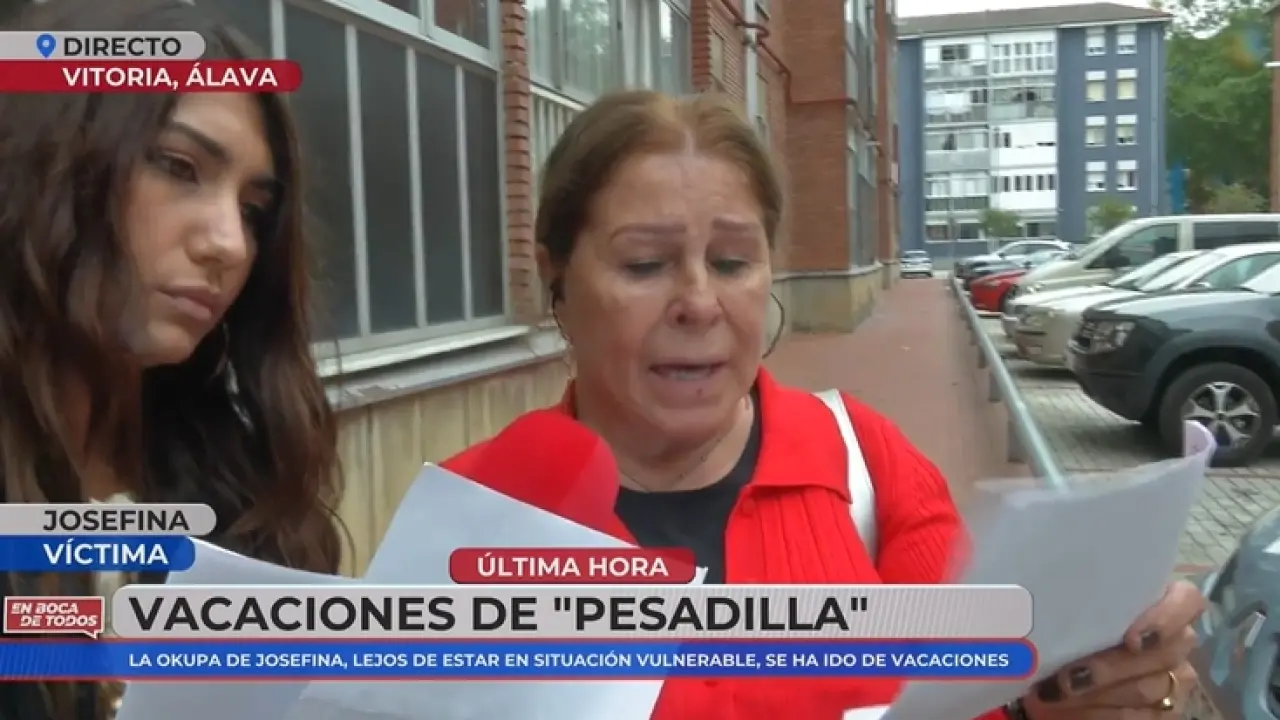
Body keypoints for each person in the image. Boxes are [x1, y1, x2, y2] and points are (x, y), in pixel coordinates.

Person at [444, 90, 1205, 719]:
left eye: (732, 262)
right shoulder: (466, 516)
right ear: (556, 281)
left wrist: (1080, 699)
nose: (700, 303)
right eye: (645, 264)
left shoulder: (868, 466)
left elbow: (977, 699)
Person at [0, 1, 344, 718]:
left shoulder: (237, 479)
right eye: (179, 167)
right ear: (52, 162)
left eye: (254, 210)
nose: (229, 244)